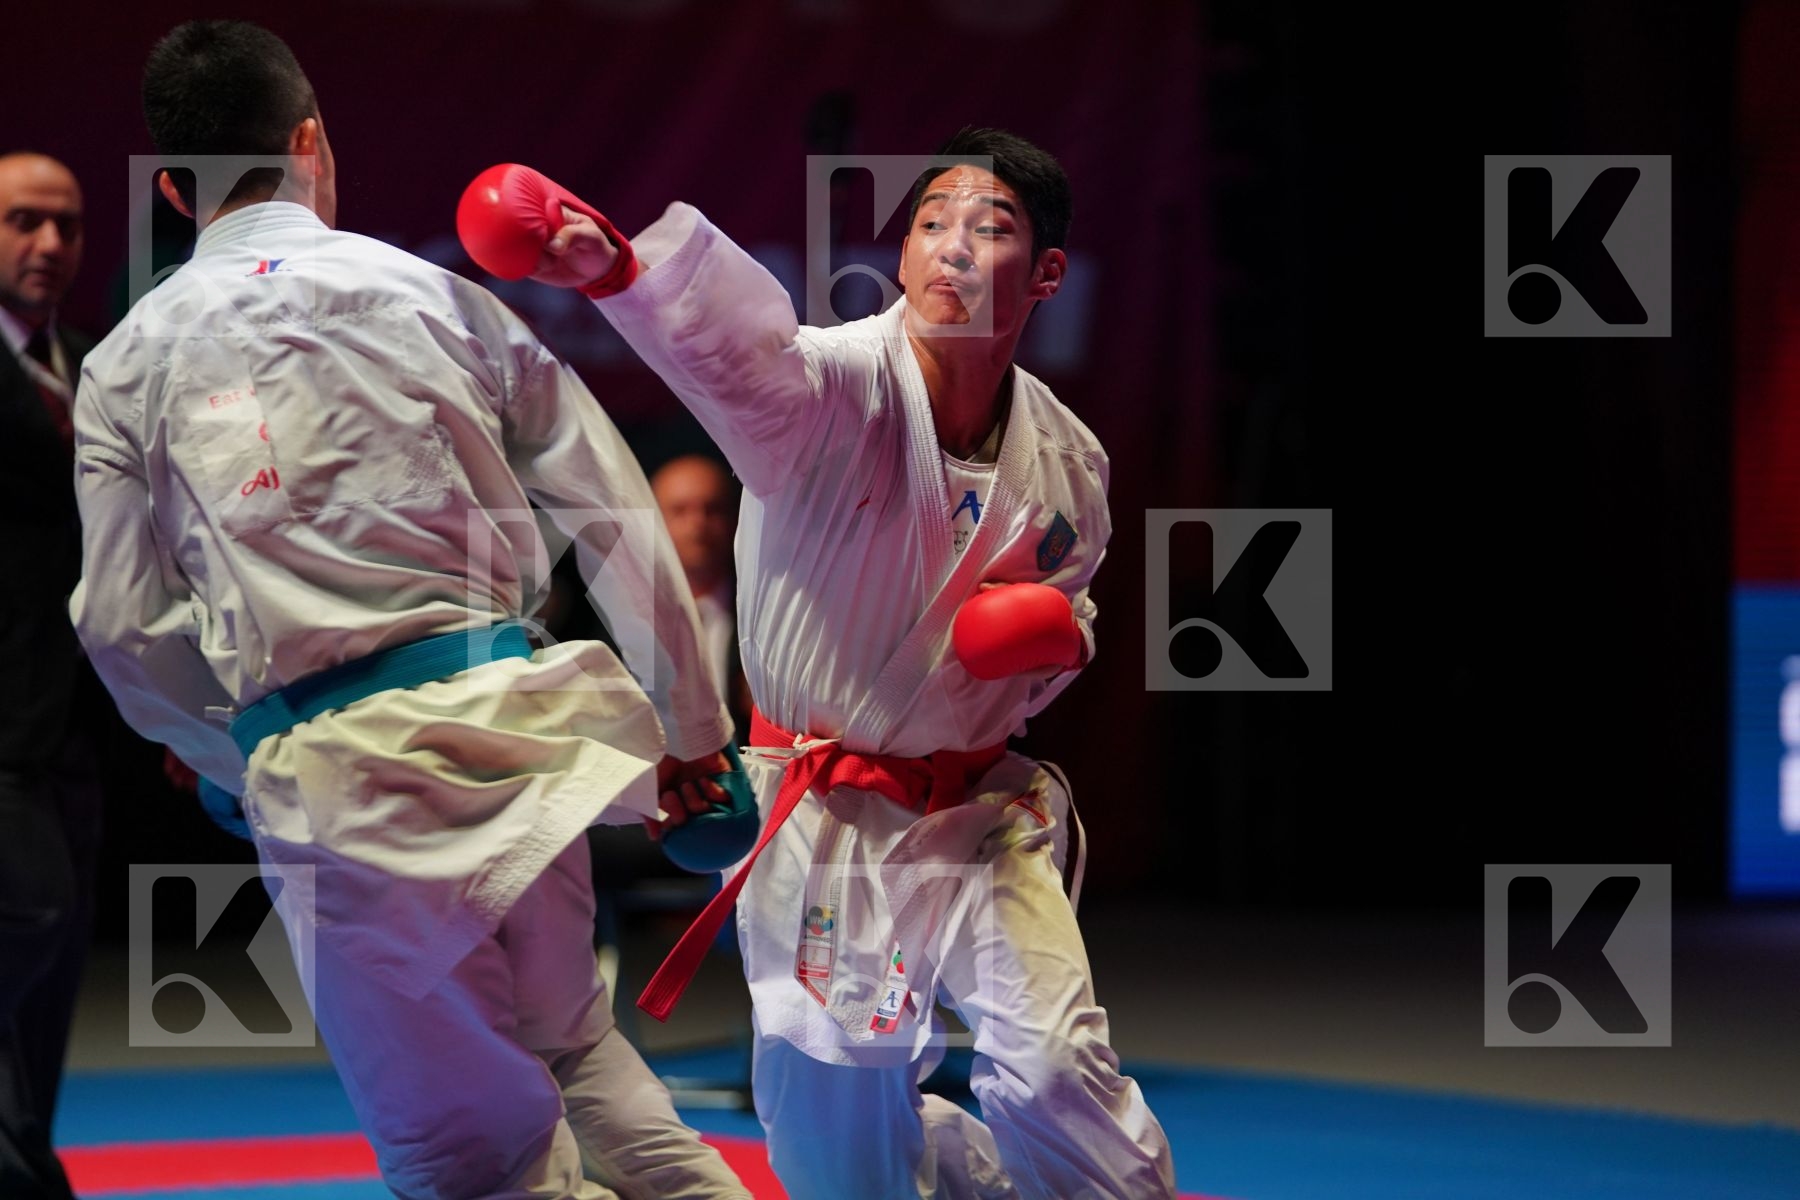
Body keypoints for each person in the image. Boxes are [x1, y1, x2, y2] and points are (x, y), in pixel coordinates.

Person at [70, 21, 753, 1200]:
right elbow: (614, 513)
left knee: (470, 1167)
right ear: (311, 142)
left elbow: (122, 627)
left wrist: (230, 752)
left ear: (175, 192)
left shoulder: (128, 363)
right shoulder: (439, 296)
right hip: (521, 735)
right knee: (584, 1062)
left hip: (347, 791)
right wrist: (694, 734)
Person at [472, 128, 1177, 1198]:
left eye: (987, 229)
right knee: (838, 1141)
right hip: (823, 814)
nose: (950, 247)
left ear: (1045, 274)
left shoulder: (1071, 458)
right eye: (930, 223)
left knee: (1052, 1068)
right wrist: (615, 271)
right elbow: (735, 357)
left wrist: (1061, 638)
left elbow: (1067, 614)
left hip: (982, 810)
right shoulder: (830, 390)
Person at [0, 150, 100, 1200]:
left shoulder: (94, 364)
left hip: (72, 718)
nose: (49, 244)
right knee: (24, 916)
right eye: (23, 221)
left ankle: (28, 1162)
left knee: (57, 953)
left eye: (66, 224)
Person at [650, 454, 750, 736]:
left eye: (713, 509)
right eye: (680, 510)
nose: (698, 523)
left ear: (736, 518)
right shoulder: (612, 616)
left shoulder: (766, 615)